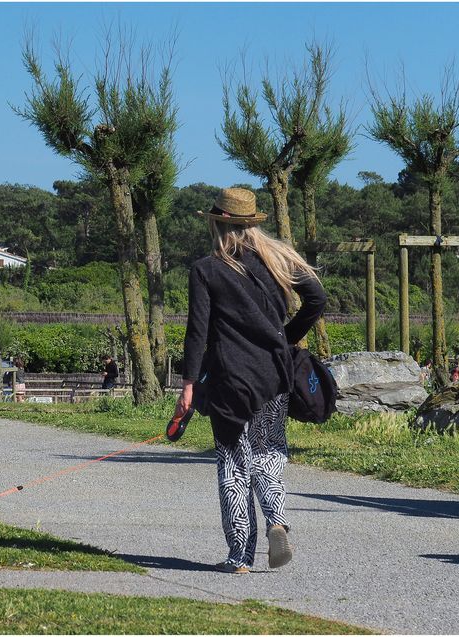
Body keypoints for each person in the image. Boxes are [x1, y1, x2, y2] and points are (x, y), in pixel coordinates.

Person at [174, 187, 326, 574]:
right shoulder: (278, 259)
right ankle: (277, 519)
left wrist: (189, 383)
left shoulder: (207, 269)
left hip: (230, 380)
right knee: (269, 452)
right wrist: (285, 337)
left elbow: (198, 331)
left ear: (217, 223)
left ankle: (240, 555)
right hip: (274, 376)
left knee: (233, 463)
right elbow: (318, 301)